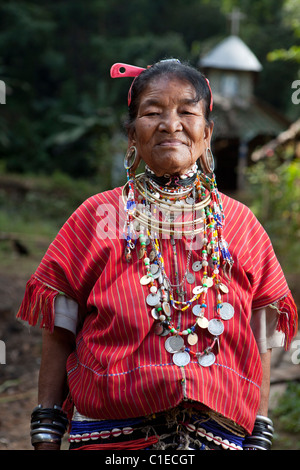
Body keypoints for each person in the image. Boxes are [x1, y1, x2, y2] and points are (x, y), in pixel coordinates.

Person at [17, 59, 298, 451]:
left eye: (187, 111)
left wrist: (261, 429)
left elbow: (261, 336)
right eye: (152, 112)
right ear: (132, 136)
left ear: (207, 133)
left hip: (221, 437)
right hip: (111, 441)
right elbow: (59, 331)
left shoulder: (242, 226)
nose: (171, 124)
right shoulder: (97, 217)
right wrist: (46, 426)